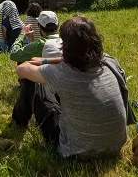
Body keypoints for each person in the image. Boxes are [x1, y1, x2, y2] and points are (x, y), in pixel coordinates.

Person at [14, 15, 129, 159]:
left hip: (75, 151)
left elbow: (21, 70)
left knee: (35, 83)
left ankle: (18, 121)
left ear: (66, 47)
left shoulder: (62, 73)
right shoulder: (109, 62)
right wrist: (45, 60)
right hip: (115, 146)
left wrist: (41, 62)